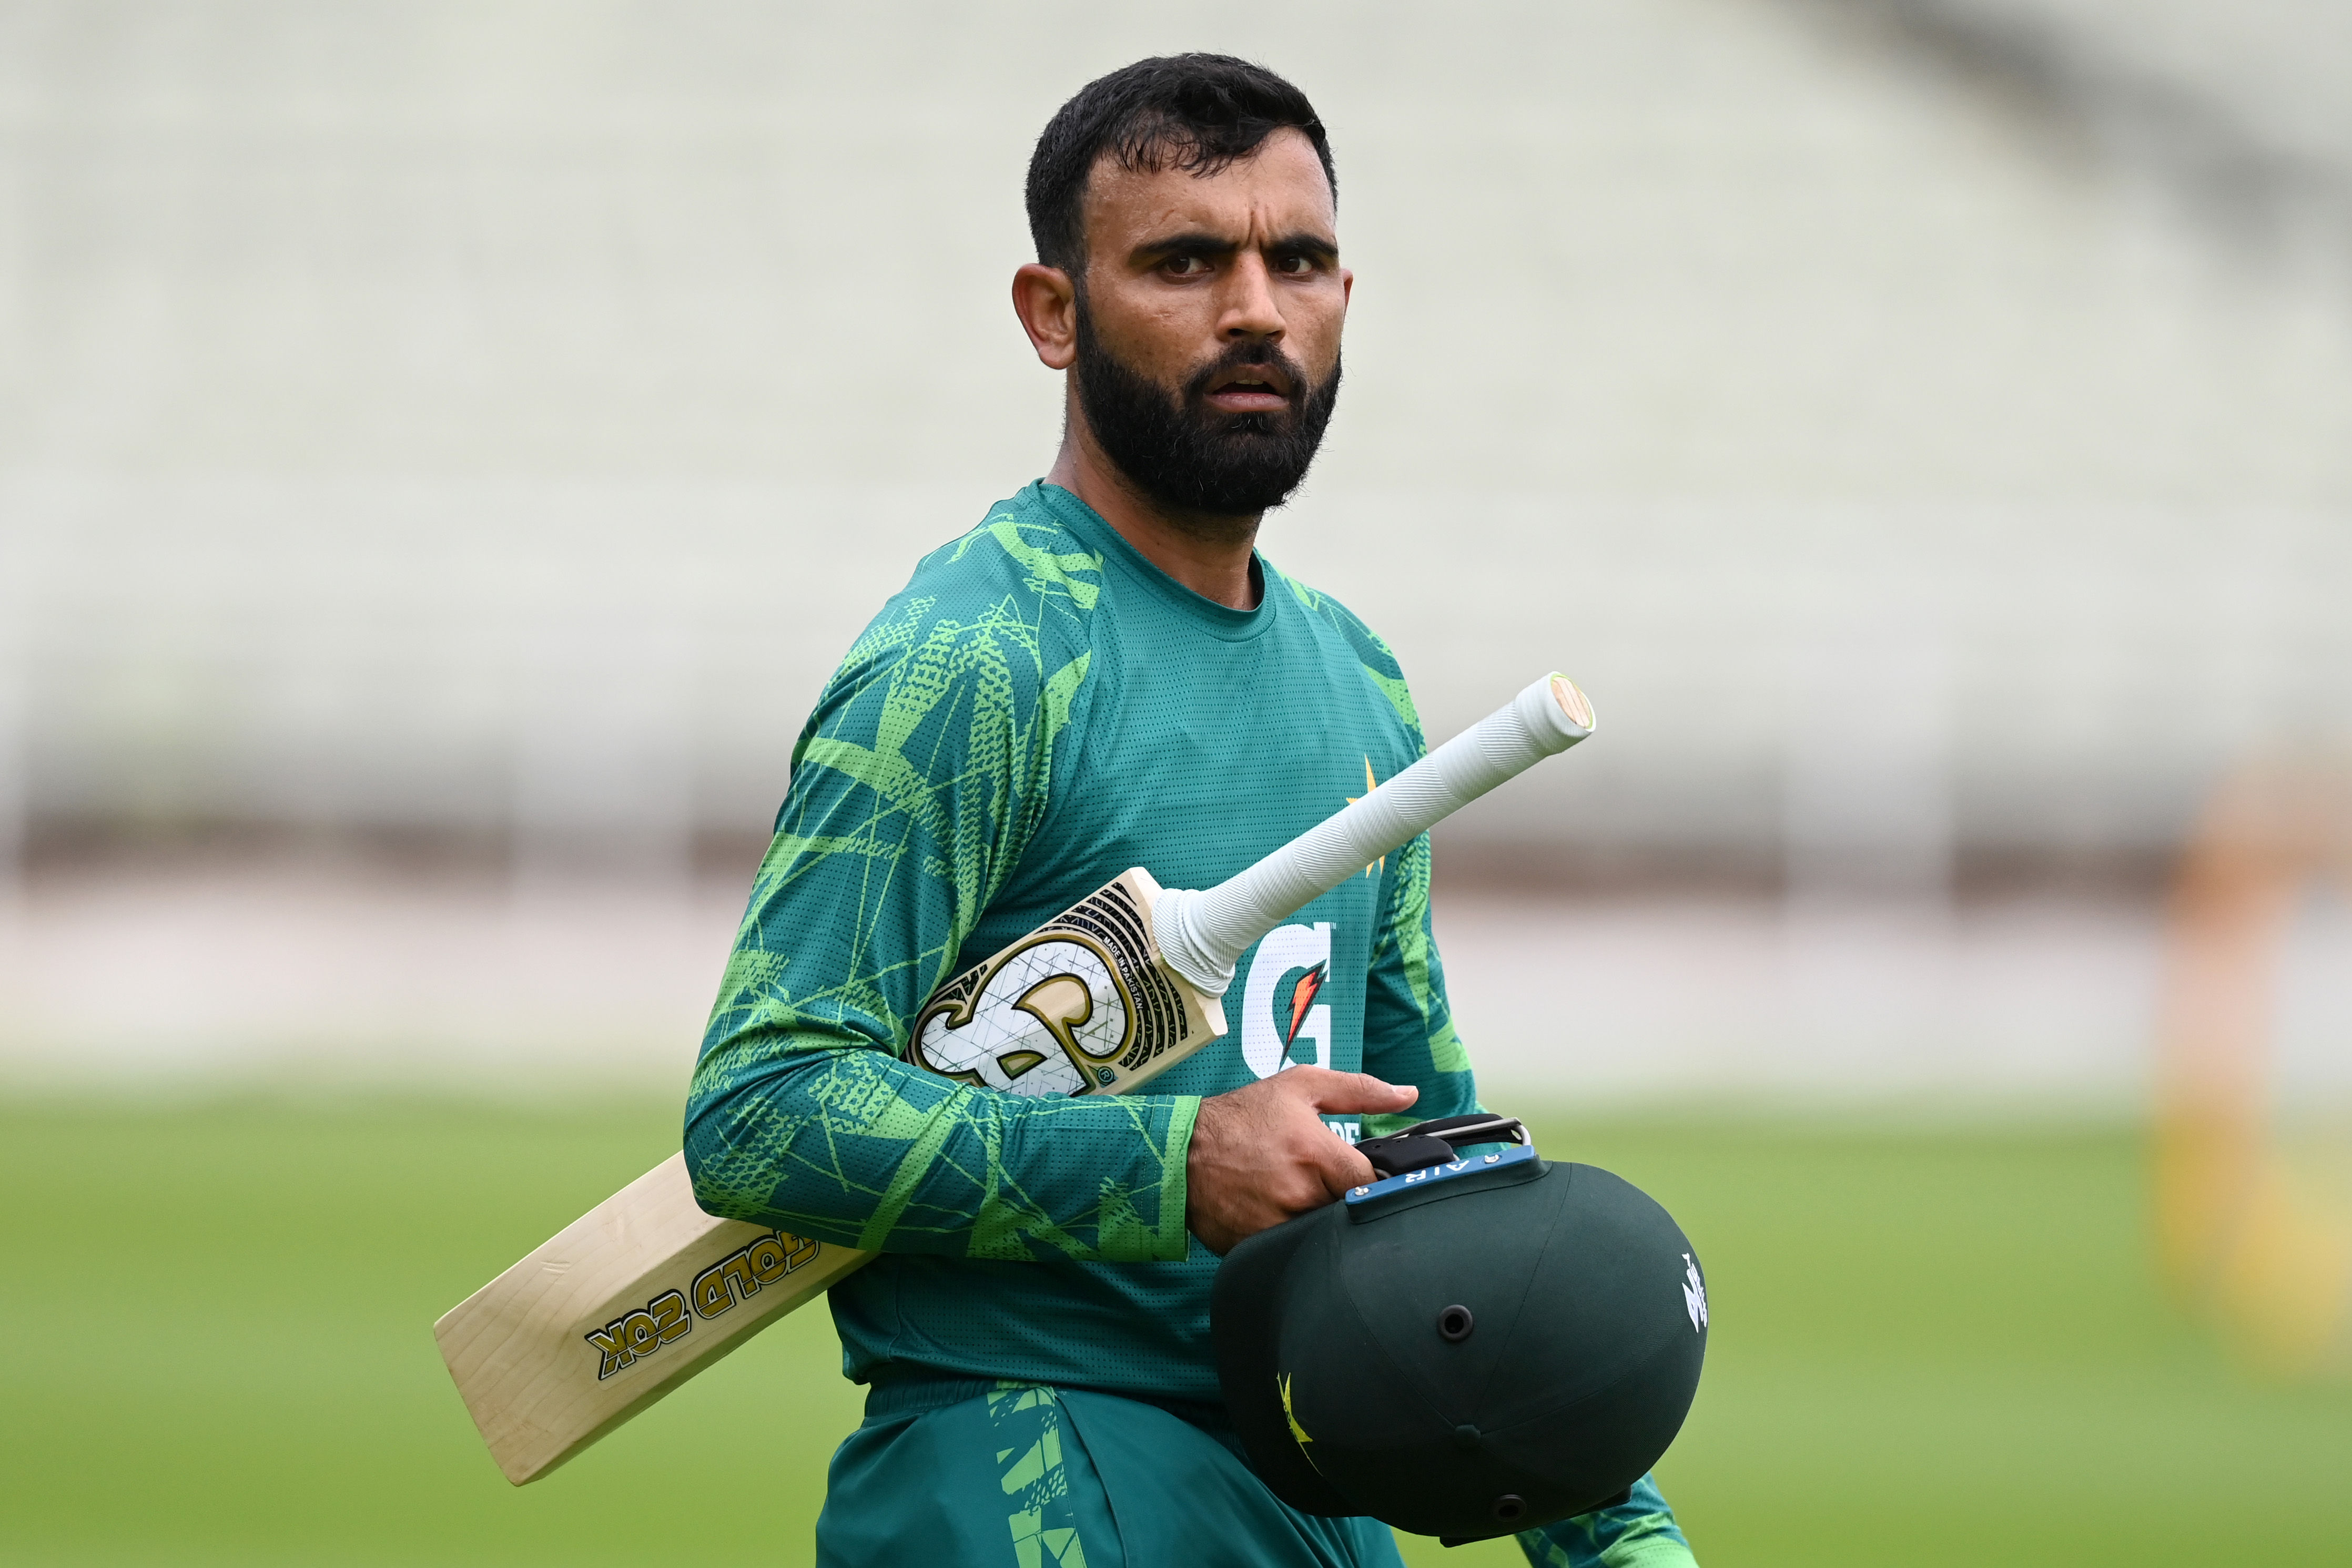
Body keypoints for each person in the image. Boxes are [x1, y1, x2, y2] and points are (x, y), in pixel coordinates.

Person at [685, 54, 1699, 1568]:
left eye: (1299, 261)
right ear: (1053, 313)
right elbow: (762, 1110)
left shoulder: (1356, 681)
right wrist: (1179, 1167)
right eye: (1183, 262)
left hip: (1323, 1479)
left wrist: (1617, 1541)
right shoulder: (979, 660)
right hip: (1035, 1473)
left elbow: (1434, 1163)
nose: (1256, 310)